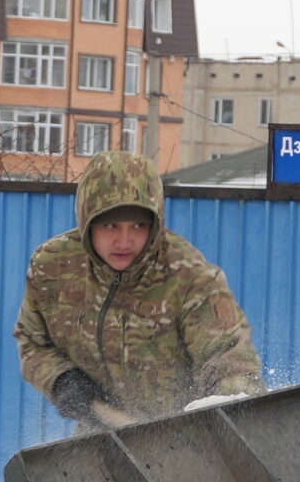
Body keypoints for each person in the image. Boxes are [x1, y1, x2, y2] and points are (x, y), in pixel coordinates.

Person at [15, 150, 264, 427]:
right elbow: (33, 341)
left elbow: (230, 360)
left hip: (190, 438)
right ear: (88, 221)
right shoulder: (53, 267)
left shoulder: (190, 277)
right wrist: (61, 379)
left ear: (155, 224)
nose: (124, 241)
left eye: (138, 226)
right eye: (111, 225)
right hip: (101, 439)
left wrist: (228, 416)